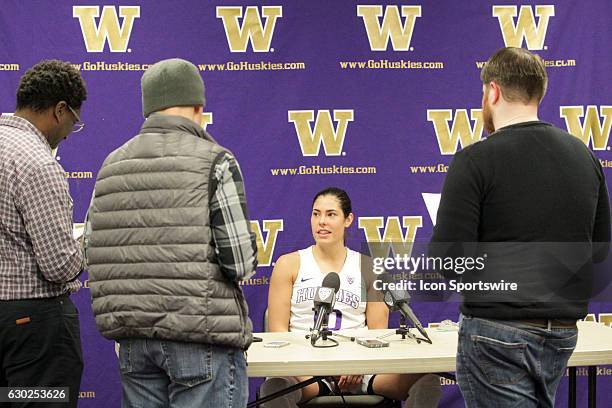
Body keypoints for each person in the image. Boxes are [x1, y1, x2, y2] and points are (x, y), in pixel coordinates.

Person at [430, 47, 611, 407]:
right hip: (561, 333)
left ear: (492, 92)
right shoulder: (585, 157)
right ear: (538, 93)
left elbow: (450, 262)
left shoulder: (474, 159)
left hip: (496, 333)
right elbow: (600, 254)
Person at [84, 58, 257, 408]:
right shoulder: (215, 161)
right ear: (198, 106)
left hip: (133, 341)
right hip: (201, 335)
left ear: (148, 109)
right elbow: (239, 262)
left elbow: (90, 248)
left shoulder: (111, 165)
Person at [261, 187, 441, 407]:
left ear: (348, 220)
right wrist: (310, 368)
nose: (321, 222)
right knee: (274, 387)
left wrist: (359, 365)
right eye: (316, 214)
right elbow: (278, 332)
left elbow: (378, 333)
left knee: (426, 379)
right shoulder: (289, 264)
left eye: (331, 214)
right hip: (305, 371)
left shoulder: (368, 267)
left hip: (361, 371)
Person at [0, 59, 87, 407]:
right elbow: (59, 266)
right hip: (32, 330)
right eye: (73, 122)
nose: (68, 132)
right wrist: (86, 243)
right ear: (59, 109)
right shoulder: (37, 163)